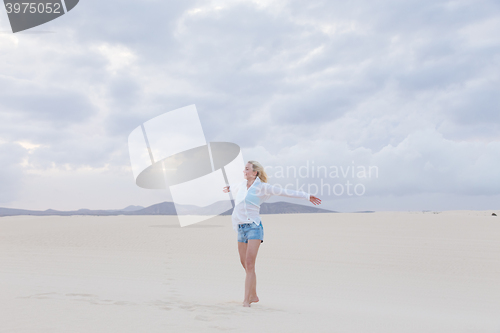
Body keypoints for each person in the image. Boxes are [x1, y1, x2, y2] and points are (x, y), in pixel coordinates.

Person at [223, 160, 321, 307]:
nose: (244, 171)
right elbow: (233, 187)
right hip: (240, 228)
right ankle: (254, 295)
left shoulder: (263, 187)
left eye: (247, 169)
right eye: (244, 169)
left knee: (250, 264)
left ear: (255, 172)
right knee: (245, 264)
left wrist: (307, 196)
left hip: (254, 228)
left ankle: (246, 301)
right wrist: (228, 188)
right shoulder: (242, 185)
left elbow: (285, 192)